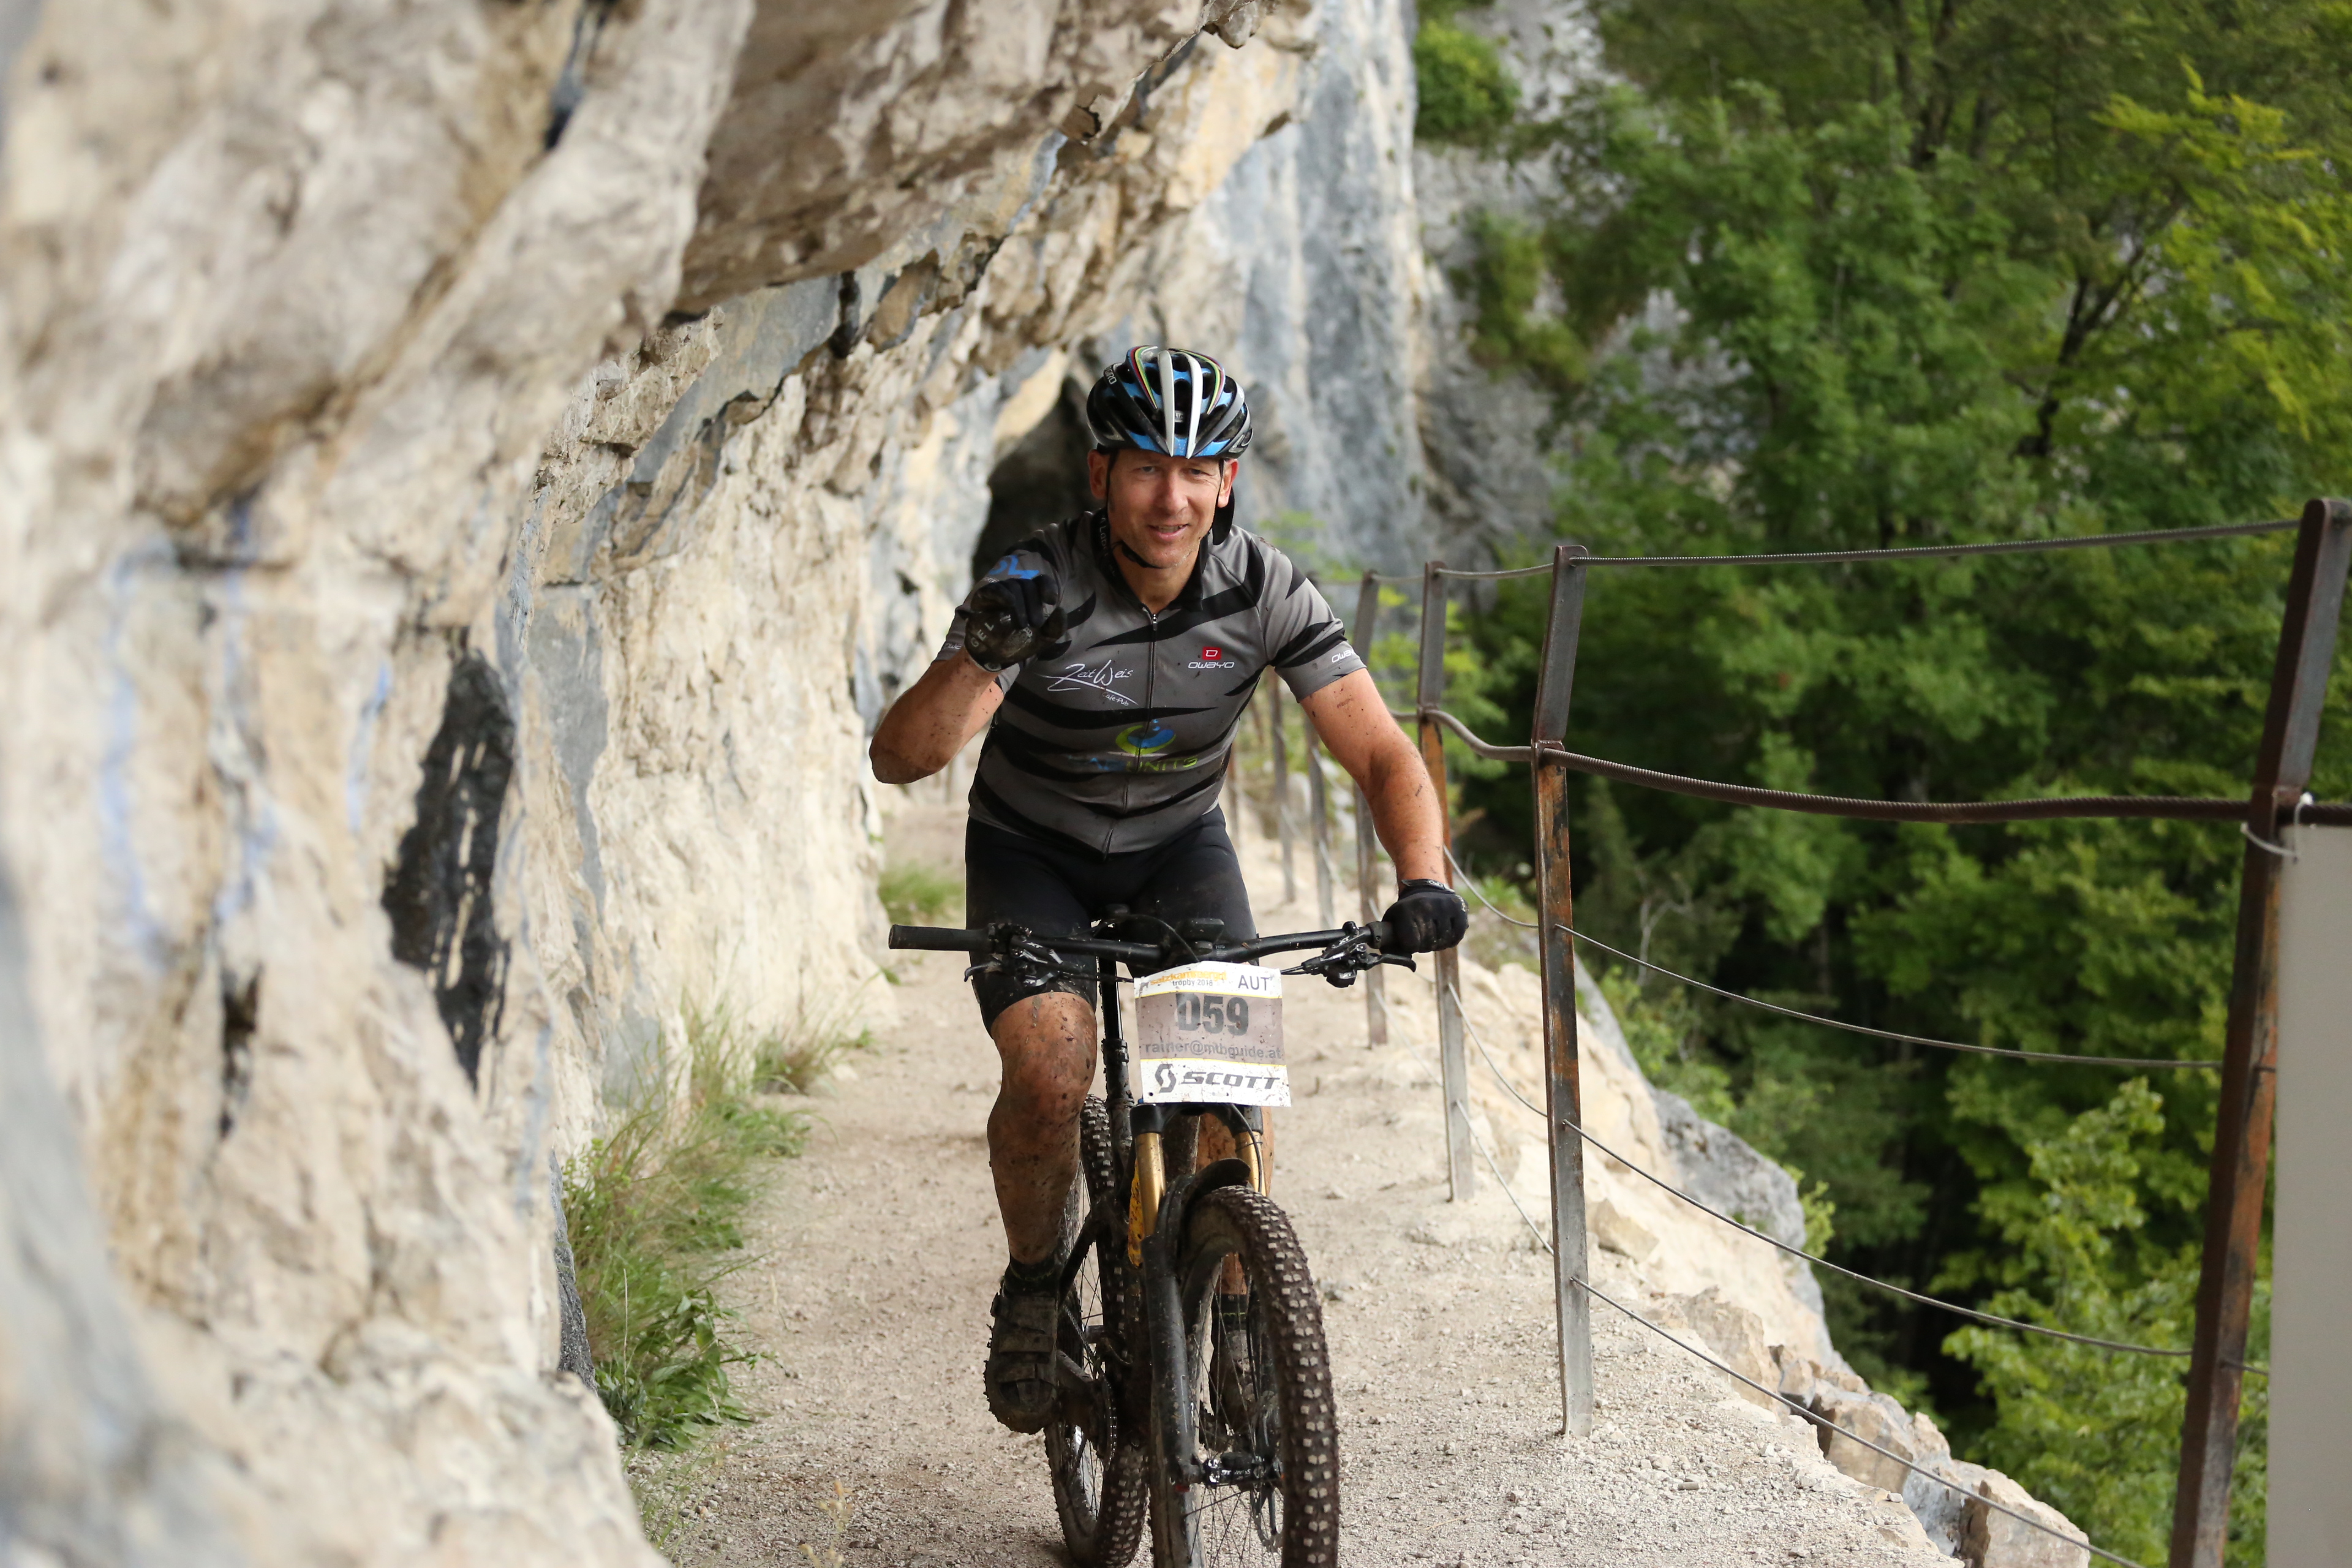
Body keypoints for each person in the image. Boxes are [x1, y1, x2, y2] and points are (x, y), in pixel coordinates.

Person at [869, 345, 1466, 1433]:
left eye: (1197, 472)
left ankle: (1239, 1323)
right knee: (1051, 1067)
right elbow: (901, 758)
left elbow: (1382, 751)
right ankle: (1036, 1286)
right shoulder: (1036, 583)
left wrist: (1423, 880)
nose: (1172, 498)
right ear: (1101, 474)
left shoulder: (1264, 589)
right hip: (1031, 849)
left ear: (1227, 483)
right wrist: (978, 655)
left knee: (1229, 1092)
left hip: (1179, 847)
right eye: (1147, 468)